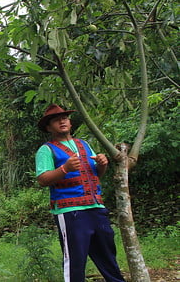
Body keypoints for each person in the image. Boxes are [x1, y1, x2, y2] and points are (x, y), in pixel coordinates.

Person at [35, 104, 126, 282]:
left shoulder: (83, 144)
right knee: (75, 262)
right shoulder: (46, 150)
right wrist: (64, 168)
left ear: (70, 123)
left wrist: (102, 164)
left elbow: (96, 174)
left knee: (108, 258)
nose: (62, 121)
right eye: (56, 119)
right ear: (48, 127)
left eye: (65, 118)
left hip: (97, 208)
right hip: (71, 213)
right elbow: (42, 179)